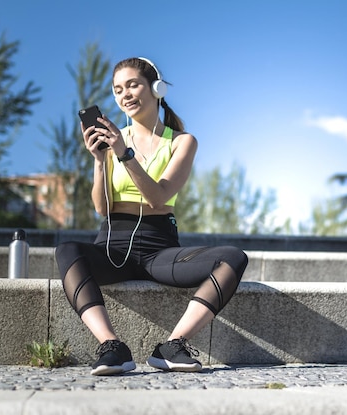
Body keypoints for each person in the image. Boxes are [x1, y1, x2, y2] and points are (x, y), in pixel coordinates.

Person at [55, 57, 248, 376]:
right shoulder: (112, 142)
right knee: (67, 250)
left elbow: (158, 197)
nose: (125, 94)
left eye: (133, 84)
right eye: (118, 89)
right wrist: (100, 161)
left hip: (160, 248)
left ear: (156, 88)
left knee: (232, 257)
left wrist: (124, 155)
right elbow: (103, 209)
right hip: (113, 246)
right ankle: (111, 346)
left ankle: (173, 345)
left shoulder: (182, 142)